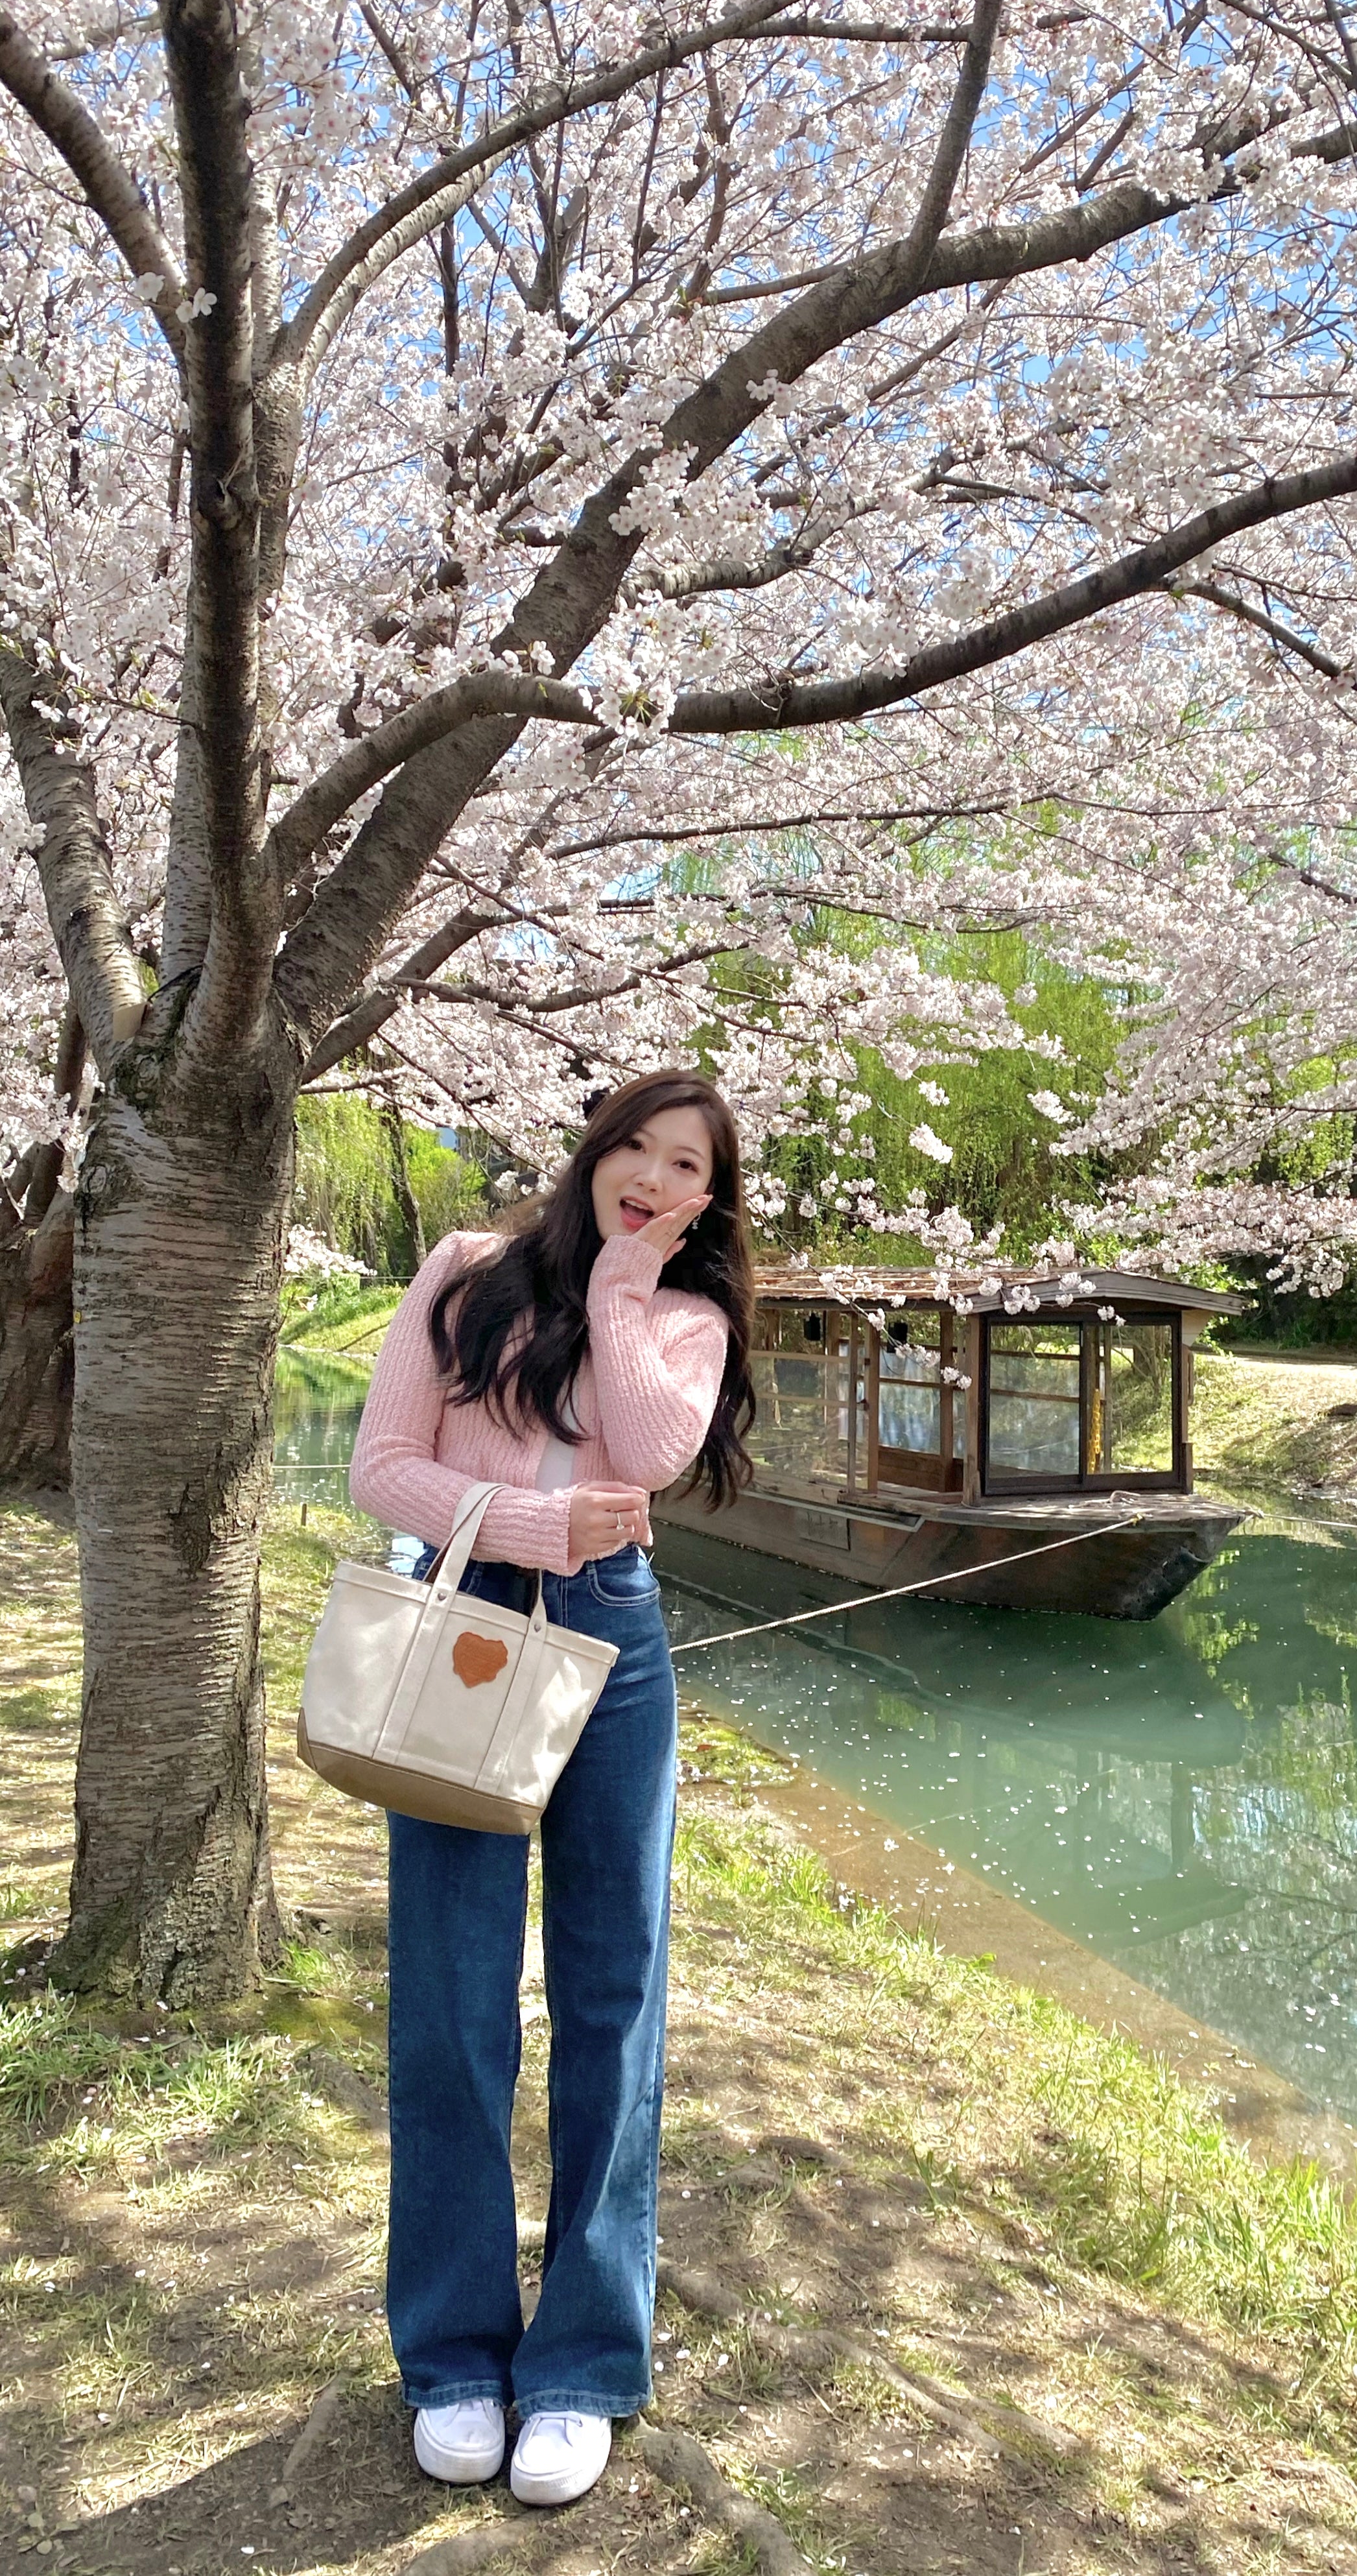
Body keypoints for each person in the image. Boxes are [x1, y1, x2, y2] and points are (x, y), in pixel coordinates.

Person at [348, 1071, 755, 2507]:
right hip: (460, 1631)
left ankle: (583, 2362)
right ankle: (453, 2350)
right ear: (592, 1150)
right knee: (453, 1994)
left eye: (684, 1166)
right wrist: (523, 1516)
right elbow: (381, 1467)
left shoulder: (688, 1319)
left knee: (612, 1991)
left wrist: (633, 1282)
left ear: (709, 1195)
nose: (649, 1175)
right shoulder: (465, 1272)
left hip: (615, 1640)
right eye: (634, 1149)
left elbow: (649, 1454)